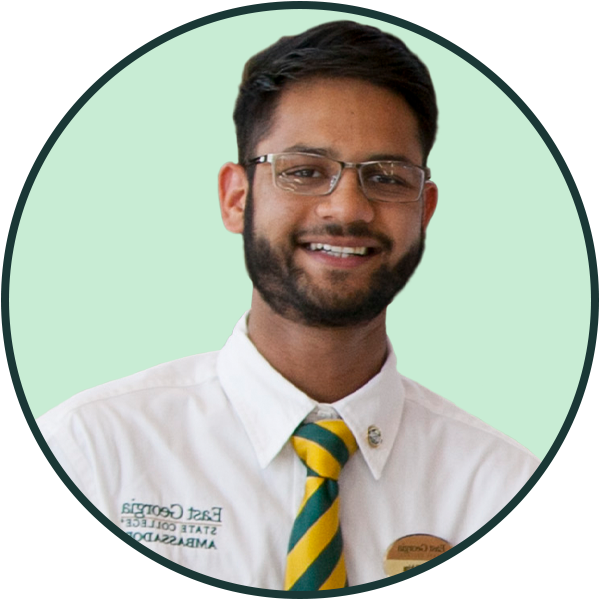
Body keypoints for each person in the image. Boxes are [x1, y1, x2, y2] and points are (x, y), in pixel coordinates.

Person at [36, 21, 540, 590]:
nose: (348, 208)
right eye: (304, 171)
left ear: (424, 210)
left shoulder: (500, 488)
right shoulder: (93, 455)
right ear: (236, 198)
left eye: (386, 177)